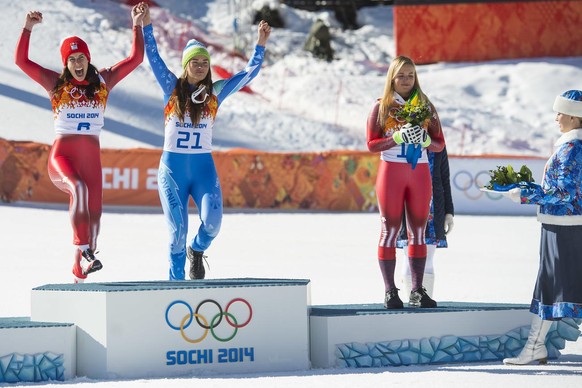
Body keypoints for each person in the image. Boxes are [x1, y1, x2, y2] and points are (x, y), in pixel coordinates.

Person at [15, 4, 147, 283]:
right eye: (71, 59)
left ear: (88, 59)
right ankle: (83, 252)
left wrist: (137, 23)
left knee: (95, 223)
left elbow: (135, 58)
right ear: (65, 63)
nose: (77, 64)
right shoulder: (56, 84)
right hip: (62, 157)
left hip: (91, 160)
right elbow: (22, 62)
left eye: (81, 58)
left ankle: (79, 272)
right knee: (78, 188)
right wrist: (27, 28)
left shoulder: (103, 81)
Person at [142, 9, 271, 280]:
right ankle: (175, 287)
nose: (200, 66)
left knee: (212, 224)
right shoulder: (172, 88)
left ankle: (197, 250)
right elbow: (153, 57)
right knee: (177, 233)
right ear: (186, 65)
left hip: (202, 169)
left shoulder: (216, 92)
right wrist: (146, 26)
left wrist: (260, 43)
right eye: (195, 62)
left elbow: (248, 73)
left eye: (204, 62)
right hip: (173, 170)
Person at [501, 90, 582, 365]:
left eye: (560, 112)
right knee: (550, 286)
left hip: (565, 228)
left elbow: (565, 193)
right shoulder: (569, 145)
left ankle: (534, 347)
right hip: (561, 225)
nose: (556, 118)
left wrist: (526, 196)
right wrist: (527, 189)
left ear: (574, 115)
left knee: (555, 286)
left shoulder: (573, 148)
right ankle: (535, 346)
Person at [366, 55, 445, 309]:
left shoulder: (425, 106)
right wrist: (396, 138)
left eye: (410, 75)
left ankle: (417, 290)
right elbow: (371, 144)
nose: (406, 80)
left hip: (419, 172)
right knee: (389, 230)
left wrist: (424, 142)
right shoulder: (382, 106)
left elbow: (439, 143)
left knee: (419, 232)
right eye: (401, 75)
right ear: (392, 77)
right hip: (391, 171)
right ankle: (390, 291)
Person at [397, 146, 455, 299]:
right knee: (408, 254)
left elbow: (444, 178)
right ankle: (411, 299)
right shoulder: (402, 141)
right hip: (405, 205)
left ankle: (425, 299)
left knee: (428, 256)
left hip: (433, 208)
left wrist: (449, 211)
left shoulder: (438, 144)